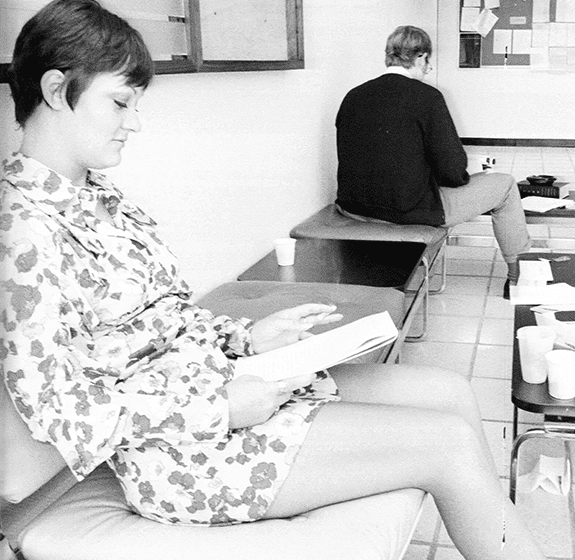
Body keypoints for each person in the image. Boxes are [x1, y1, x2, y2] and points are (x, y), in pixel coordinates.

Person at [0, 2, 545, 558]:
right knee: (445, 443)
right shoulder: (21, 233)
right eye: (120, 102)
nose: (134, 122)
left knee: (449, 391)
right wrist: (220, 406)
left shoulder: (98, 197)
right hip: (183, 449)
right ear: (54, 88)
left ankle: (495, 524)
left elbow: (166, 320)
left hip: (227, 380)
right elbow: (59, 411)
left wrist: (247, 338)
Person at [335, 25, 532, 298]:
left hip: (353, 207)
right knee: (506, 185)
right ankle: (518, 276)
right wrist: (461, 174)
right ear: (420, 58)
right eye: (428, 61)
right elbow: (453, 172)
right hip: (406, 210)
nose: (429, 69)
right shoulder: (427, 97)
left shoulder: (353, 95)